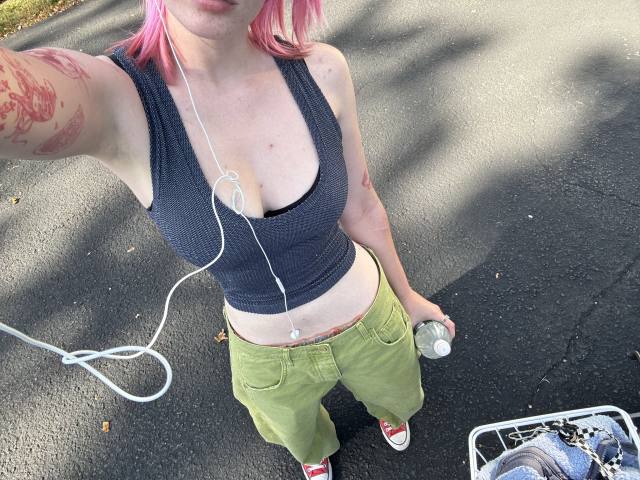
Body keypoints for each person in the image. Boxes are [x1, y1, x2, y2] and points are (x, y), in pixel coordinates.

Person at [0, 0, 456, 478]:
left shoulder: (323, 70)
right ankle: (314, 452)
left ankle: (390, 415)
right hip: (268, 363)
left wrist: (407, 296)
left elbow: (361, 205)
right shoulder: (116, 100)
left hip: (371, 322)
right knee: (299, 434)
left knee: (396, 395)